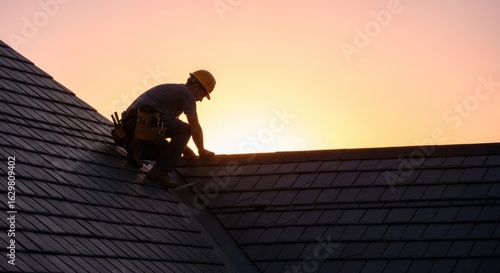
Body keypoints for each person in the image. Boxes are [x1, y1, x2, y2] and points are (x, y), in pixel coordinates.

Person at [121, 70, 216, 188]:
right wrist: (201, 150)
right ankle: (160, 171)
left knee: (168, 151)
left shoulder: (175, 93)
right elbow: (194, 128)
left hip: (132, 125)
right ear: (196, 87)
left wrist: (184, 149)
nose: (201, 100)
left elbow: (169, 128)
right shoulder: (187, 94)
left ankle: (137, 148)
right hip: (139, 122)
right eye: (202, 95)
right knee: (186, 130)